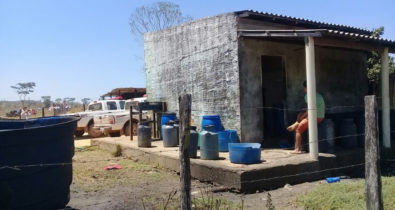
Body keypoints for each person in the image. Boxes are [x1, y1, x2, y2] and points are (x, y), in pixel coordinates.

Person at [287, 81, 325, 154]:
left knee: (298, 130)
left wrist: (303, 117)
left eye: (305, 88)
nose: (304, 90)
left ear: (307, 88)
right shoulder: (318, 95)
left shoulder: (308, 96)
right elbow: (310, 109)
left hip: (315, 117)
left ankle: (298, 149)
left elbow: (309, 111)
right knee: (299, 114)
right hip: (319, 116)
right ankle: (297, 122)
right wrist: (302, 115)